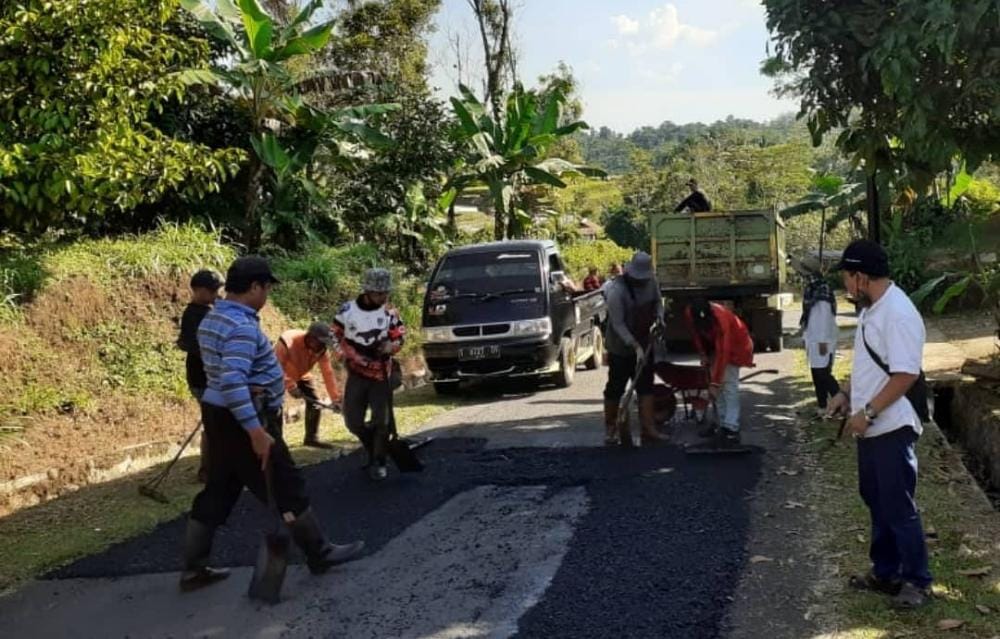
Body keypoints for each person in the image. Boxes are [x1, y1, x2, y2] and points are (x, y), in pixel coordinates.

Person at [180, 256, 363, 593]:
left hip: (218, 415)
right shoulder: (241, 327)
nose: (266, 296)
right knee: (286, 484)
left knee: (220, 486)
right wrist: (256, 432)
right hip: (247, 417)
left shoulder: (212, 318)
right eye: (266, 288)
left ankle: (193, 568)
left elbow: (220, 372)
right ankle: (318, 552)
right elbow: (234, 380)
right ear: (254, 287)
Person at [826, 239, 932, 609]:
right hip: (871, 426)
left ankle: (917, 581)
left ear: (861, 276)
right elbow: (872, 364)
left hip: (891, 425)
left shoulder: (898, 313)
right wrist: (845, 393)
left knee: (899, 505)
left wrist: (867, 412)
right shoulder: (872, 309)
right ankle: (886, 571)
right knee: (875, 499)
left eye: (846, 276)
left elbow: (904, 375)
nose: (844, 284)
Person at [332, 267, 406, 481]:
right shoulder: (347, 311)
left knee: (381, 422)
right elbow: (334, 335)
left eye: (385, 293)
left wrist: (392, 346)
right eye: (378, 293)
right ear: (367, 291)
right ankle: (372, 446)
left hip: (382, 375)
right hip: (356, 373)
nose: (383, 297)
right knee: (353, 421)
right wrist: (345, 354)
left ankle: (380, 461)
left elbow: (399, 336)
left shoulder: (390, 313)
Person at [603, 252, 668, 447]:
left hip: (645, 341)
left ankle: (648, 429)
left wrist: (659, 317)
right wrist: (634, 346)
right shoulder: (617, 291)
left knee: (645, 385)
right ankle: (611, 427)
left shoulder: (651, 282)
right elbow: (618, 324)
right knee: (616, 386)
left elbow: (658, 302)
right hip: (620, 346)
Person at [683, 299, 754, 446]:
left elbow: (724, 352)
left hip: (736, 346)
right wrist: (703, 354)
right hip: (714, 345)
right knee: (718, 387)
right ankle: (721, 423)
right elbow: (695, 333)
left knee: (728, 386)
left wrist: (715, 383)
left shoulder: (721, 318)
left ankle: (731, 428)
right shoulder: (690, 312)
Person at [176, 269, 223, 482]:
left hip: (215, 377)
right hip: (202, 379)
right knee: (213, 425)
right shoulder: (193, 315)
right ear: (198, 290)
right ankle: (207, 470)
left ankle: (219, 466)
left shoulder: (213, 308)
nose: (216, 294)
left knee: (218, 422)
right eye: (212, 291)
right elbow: (192, 345)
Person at [275, 322, 343, 449]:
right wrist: (290, 385)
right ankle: (277, 444)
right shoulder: (287, 341)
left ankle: (311, 438)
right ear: (311, 338)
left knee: (315, 403)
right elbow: (276, 365)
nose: (323, 346)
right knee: (276, 407)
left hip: (302, 374)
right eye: (321, 342)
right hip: (279, 376)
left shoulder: (321, 350)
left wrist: (336, 399)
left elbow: (327, 373)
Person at [799, 256, 840, 417]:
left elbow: (825, 318)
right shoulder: (813, 289)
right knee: (817, 373)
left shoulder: (821, 290)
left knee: (823, 374)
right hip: (814, 337)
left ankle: (839, 403)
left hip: (822, 339)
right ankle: (822, 406)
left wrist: (823, 341)